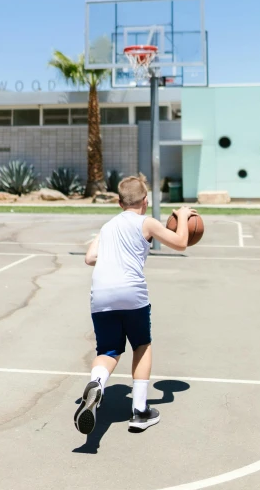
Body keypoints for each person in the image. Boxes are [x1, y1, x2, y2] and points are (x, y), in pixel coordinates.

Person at [73, 175, 194, 435]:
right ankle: (140, 412)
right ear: (145, 201)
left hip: (101, 294)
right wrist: (182, 216)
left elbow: (90, 257)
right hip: (131, 293)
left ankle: (96, 383)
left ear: (119, 202)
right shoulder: (147, 222)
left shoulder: (107, 227)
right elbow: (181, 242)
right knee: (141, 345)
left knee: (109, 350)